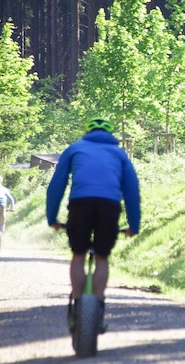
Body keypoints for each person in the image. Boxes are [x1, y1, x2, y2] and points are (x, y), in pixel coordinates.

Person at [46, 116, 141, 333]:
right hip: (109, 206)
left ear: (87, 132)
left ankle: (79, 304)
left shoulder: (75, 149)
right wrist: (133, 225)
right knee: (101, 256)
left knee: (78, 255)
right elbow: (132, 191)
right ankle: (96, 309)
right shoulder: (119, 154)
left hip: (81, 205)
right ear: (110, 134)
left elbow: (57, 185)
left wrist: (52, 218)